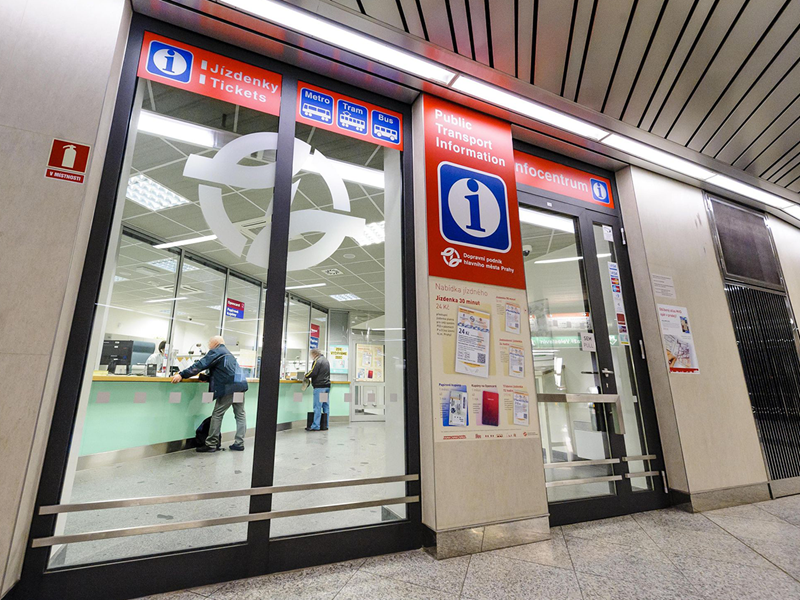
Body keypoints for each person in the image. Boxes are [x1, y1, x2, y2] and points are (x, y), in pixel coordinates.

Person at [172, 336, 248, 452]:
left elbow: (200, 365)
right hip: (241, 386)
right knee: (240, 415)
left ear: (215, 343)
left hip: (229, 388)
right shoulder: (228, 354)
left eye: (209, 342)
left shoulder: (216, 351)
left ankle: (211, 443)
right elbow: (225, 372)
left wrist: (182, 374)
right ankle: (239, 443)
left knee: (217, 414)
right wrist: (208, 378)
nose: (208, 345)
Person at [304, 349, 330, 432]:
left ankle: (316, 426)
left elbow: (313, 372)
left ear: (314, 354)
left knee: (317, 407)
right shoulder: (326, 360)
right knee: (325, 406)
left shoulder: (317, 361)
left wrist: (306, 376)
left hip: (319, 387)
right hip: (326, 387)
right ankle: (325, 425)